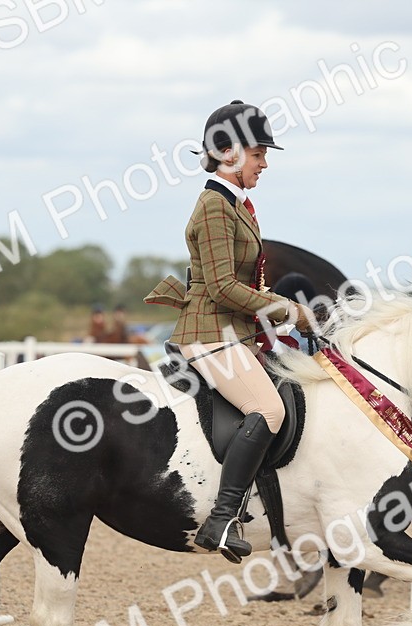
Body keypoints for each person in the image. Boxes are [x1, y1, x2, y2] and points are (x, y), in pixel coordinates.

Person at [145, 99, 312, 561]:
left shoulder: (237, 205)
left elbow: (245, 283)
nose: (264, 164)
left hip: (232, 331)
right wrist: (286, 312)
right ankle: (221, 516)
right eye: (258, 154)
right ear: (227, 152)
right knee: (269, 409)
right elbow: (220, 287)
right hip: (209, 332)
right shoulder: (215, 207)